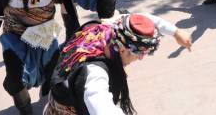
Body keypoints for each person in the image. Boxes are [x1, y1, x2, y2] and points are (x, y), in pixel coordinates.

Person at [45, 12, 191, 114]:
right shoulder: (95, 73)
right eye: (139, 54)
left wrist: (176, 32)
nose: (141, 58)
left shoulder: (111, 29)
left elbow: (141, 19)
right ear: (122, 50)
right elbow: (102, 107)